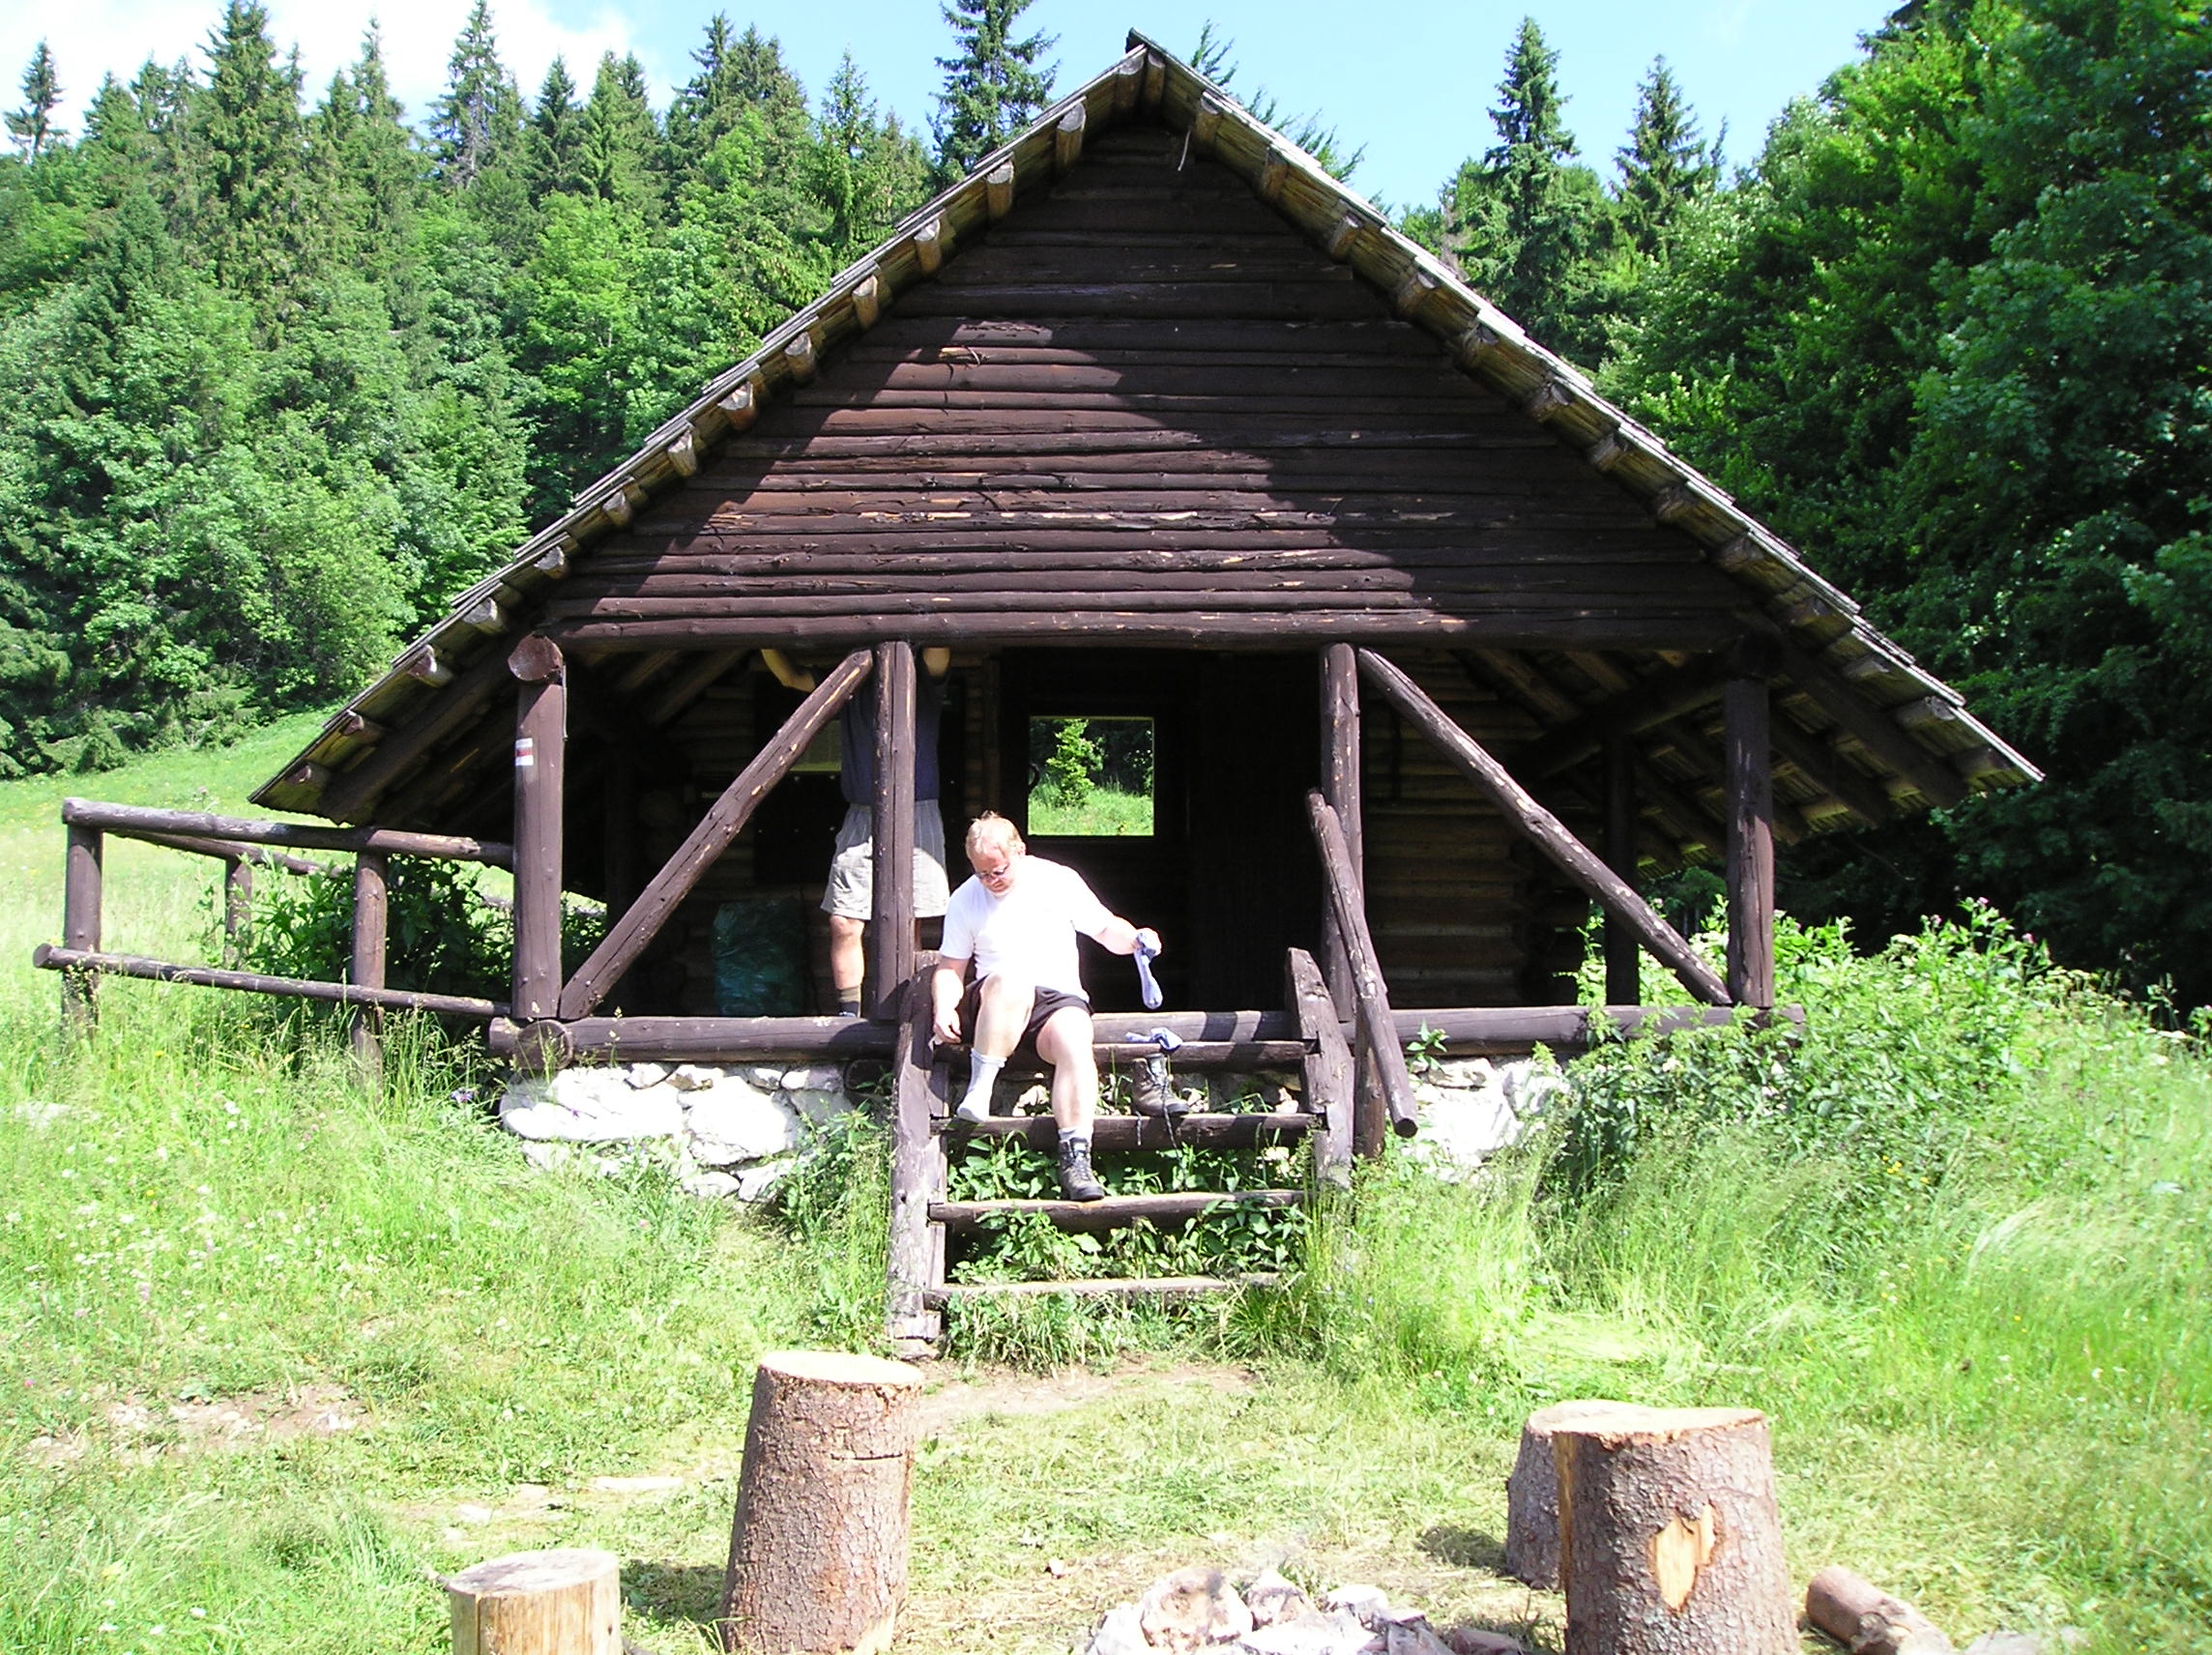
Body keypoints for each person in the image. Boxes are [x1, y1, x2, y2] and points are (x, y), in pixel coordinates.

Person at [931, 813, 1163, 1203]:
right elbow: (950, 968)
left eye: (998, 871)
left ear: (1020, 851)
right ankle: (980, 1089)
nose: (991, 881)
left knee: (1075, 1037)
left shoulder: (1058, 880)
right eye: (982, 874)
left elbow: (1106, 929)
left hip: (1056, 1001)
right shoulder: (965, 898)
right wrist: (943, 1008)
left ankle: (1076, 1157)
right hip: (996, 1004)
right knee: (1013, 979)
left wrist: (1137, 939)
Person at [761, 647, 952, 1017]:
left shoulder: (921, 676)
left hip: (918, 810)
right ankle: (848, 1016)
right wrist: (764, 633)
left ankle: (902, 1014)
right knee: (844, 921)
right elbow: (790, 676)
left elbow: (940, 647)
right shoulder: (849, 680)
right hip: (862, 813)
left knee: (907, 925)